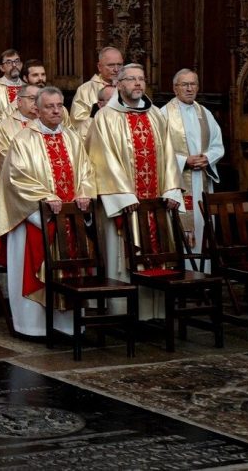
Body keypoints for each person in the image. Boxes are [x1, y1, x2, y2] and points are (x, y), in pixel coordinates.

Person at [0, 86, 97, 337]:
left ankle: (68, 325)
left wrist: (84, 193)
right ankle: (35, 327)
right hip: (35, 218)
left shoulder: (72, 137)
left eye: (59, 106)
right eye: (49, 106)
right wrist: (45, 197)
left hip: (70, 217)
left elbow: (86, 171)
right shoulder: (23, 140)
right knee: (35, 265)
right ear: (37, 110)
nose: (56, 111)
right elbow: (16, 177)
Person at [87, 63, 184, 312]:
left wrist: (172, 189)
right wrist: (123, 196)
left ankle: (155, 311)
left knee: (158, 250)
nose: (138, 83)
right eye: (131, 79)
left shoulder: (156, 115)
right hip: (124, 205)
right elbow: (102, 159)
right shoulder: (106, 117)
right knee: (122, 256)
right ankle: (123, 311)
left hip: (155, 204)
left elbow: (169, 154)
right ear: (119, 85)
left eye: (141, 79)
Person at [162, 69, 224, 265]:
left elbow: (217, 145)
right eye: (184, 85)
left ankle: (204, 275)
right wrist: (184, 161)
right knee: (182, 233)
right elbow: (159, 150)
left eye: (193, 84)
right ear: (175, 88)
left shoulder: (205, 113)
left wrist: (207, 158)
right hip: (179, 183)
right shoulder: (163, 114)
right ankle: (184, 275)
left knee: (204, 228)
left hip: (202, 180)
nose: (189, 89)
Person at [0, 83, 40, 202]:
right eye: (32, 98)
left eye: (39, 99)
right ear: (19, 102)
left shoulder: (47, 124)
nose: (37, 103)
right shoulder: (5, 126)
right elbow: (5, 158)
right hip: (17, 187)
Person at [70, 46, 124, 137]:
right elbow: (78, 122)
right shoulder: (85, 90)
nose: (116, 69)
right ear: (99, 67)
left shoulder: (128, 87)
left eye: (119, 65)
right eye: (111, 65)